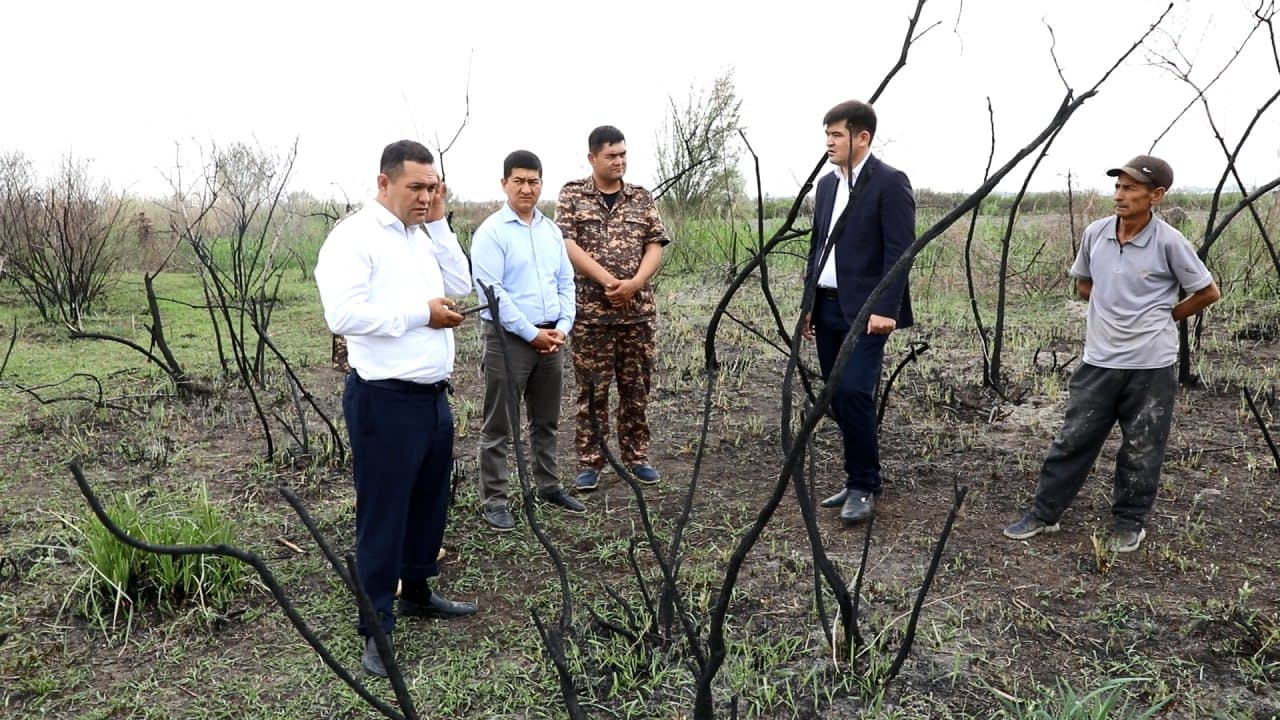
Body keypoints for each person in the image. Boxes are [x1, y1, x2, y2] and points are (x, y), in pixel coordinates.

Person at [314, 139, 477, 679]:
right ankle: (375, 624)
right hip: (384, 400)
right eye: (416, 188)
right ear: (383, 183)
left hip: (432, 397)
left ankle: (418, 591)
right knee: (384, 512)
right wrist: (419, 316)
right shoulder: (353, 238)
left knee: (430, 500)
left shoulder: (422, 234)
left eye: (432, 187)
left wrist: (442, 223)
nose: (425, 197)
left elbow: (461, 285)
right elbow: (343, 314)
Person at [1003, 155, 1220, 553]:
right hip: (1099, 358)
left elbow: (1207, 292)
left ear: (1156, 196)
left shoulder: (1170, 241)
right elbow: (1083, 285)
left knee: (1141, 446)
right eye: (1118, 187)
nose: (1119, 195)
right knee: (1073, 438)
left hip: (1150, 364)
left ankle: (1129, 523)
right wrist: (1110, 303)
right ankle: (1045, 513)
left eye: (1130, 188)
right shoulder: (1096, 233)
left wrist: (1166, 316)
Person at [802, 99, 916, 525]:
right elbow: (817, 250)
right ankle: (855, 480)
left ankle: (865, 486)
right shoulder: (827, 185)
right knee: (837, 394)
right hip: (828, 306)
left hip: (867, 312)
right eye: (827, 135)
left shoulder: (889, 183)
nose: (829, 143)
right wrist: (808, 305)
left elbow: (900, 252)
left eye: (837, 135)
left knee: (854, 392)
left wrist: (886, 307)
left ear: (862, 137)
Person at [471, 150, 585, 531]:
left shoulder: (551, 230)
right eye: (518, 180)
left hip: (551, 336)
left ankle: (549, 486)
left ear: (541, 183)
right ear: (504, 183)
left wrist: (563, 326)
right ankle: (496, 501)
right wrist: (531, 333)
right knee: (499, 425)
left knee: (546, 419)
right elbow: (493, 293)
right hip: (510, 340)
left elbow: (565, 281)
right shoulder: (491, 232)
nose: (526, 187)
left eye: (533, 180)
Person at [555, 126, 670, 491]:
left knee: (636, 388)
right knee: (591, 391)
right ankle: (590, 461)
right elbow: (567, 244)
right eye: (610, 155)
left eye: (622, 154)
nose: (619, 161)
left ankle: (637, 455)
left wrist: (633, 284)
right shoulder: (573, 195)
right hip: (592, 315)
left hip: (637, 314)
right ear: (592, 158)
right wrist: (608, 282)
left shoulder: (640, 196)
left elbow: (655, 244)